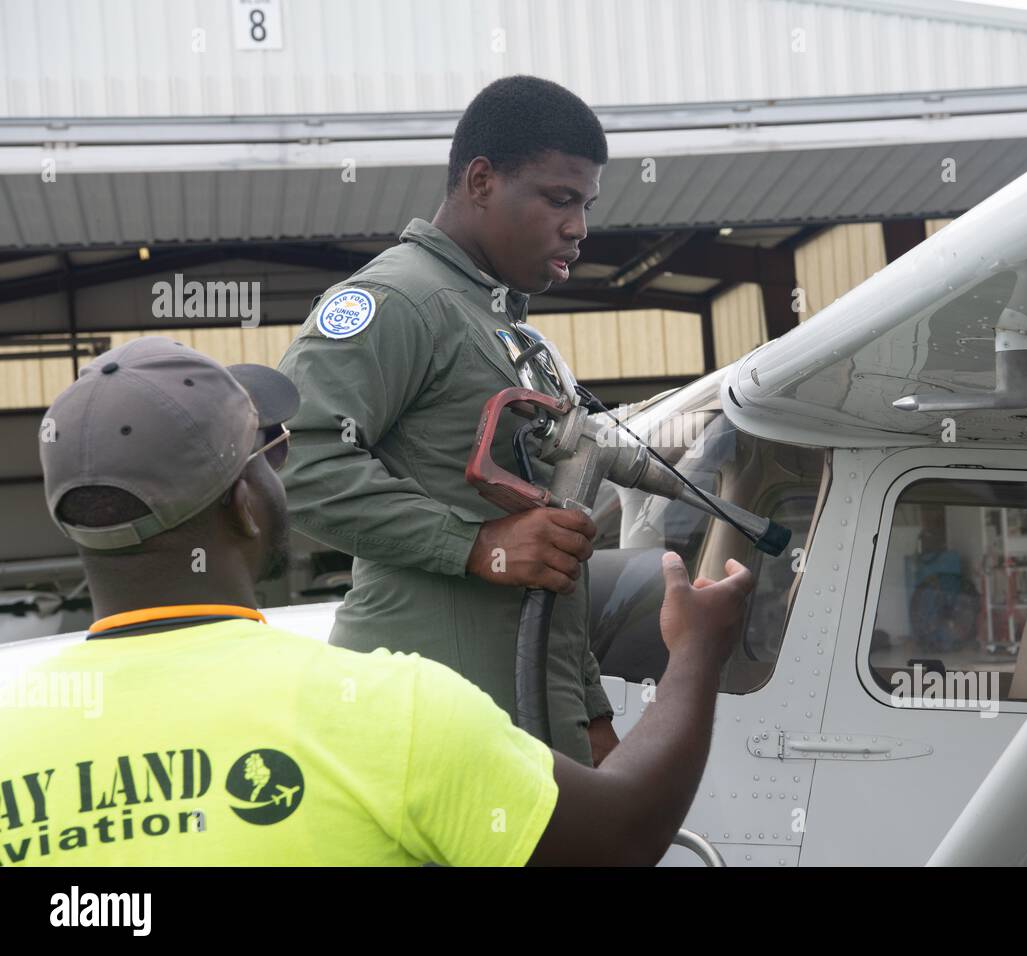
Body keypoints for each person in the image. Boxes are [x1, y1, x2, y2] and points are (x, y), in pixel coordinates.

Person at [4, 337, 752, 866]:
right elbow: (620, 838)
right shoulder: (388, 710)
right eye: (275, 455)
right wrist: (695, 654)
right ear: (246, 505)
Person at [277, 75, 619, 765]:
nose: (578, 226)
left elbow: (544, 548)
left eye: (585, 204)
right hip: (429, 730)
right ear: (483, 180)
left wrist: (590, 713)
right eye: (560, 198)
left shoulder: (501, 325)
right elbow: (299, 467)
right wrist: (474, 543)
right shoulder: (398, 300)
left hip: (528, 720)